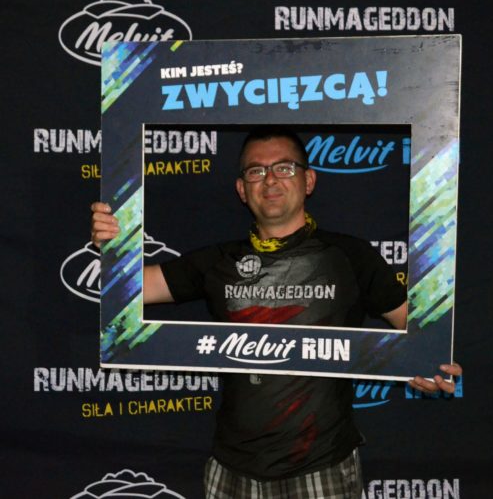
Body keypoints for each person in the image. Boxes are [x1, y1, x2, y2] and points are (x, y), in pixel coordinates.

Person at [91, 127, 462, 499]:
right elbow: (126, 289)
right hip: (231, 469)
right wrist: (111, 246)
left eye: (284, 168)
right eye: (256, 171)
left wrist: (431, 363)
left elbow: (421, 331)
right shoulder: (218, 261)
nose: (269, 179)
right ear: (242, 189)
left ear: (308, 180)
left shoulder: (352, 256)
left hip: (322, 468)